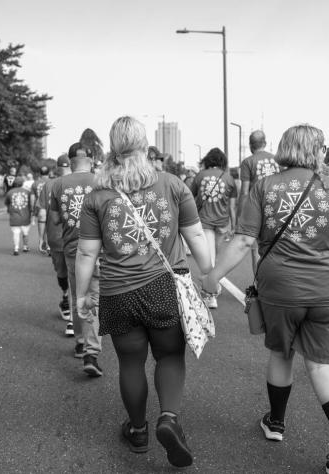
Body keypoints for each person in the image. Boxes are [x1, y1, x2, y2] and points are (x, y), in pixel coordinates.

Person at [202, 124, 329, 474]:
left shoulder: (265, 187)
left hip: (281, 288)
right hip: (328, 289)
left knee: (282, 353)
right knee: (321, 365)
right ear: (318, 150)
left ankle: (276, 423)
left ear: (284, 148)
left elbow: (245, 241)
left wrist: (214, 276)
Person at [75, 116, 211, 467]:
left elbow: (87, 252)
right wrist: (209, 271)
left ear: (112, 146)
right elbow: (196, 236)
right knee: (169, 356)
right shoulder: (171, 184)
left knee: (130, 362)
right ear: (144, 143)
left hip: (118, 292)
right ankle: (169, 418)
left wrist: (80, 295)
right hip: (164, 286)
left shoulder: (98, 195)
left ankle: (137, 431)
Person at [50, 143, 102, 376]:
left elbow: (55, 219)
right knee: (93, 296)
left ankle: (81, 342)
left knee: (77, 294)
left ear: (70, 161)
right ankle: (91, 351)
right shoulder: (101, 181)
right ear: (90, 160)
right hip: (99, 248)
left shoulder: (58, 184)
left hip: (72, 247)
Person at [190, 147, 237, 308]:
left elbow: (191, 199)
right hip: (223, 223)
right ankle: (212, 289)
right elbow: (232, 207)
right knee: (216, 258)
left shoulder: (199, 176)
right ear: (222, 162)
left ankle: (211, 293)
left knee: (208, 258)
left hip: (204, 222)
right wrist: (234, 225)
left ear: (208, 160)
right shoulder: (229, 178)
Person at [37, 156, 73, 336]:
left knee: (62, 272)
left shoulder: (48, 186)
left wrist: (41, 237)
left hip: (55, 238)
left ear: (57, 168)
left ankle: (66, 297)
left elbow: (43, 213)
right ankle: (75, 317)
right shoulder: (81, 183)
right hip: (77, 237)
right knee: (77, 274)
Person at [240, 130, 280, 274]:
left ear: (251, 145)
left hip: (257, 209)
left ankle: (257, 285)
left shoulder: (247, 162)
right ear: (265, 143)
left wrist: (241, 215)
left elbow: (244, 191)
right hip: (277, 207)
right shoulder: (277, 159)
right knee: (276, 247)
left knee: (255, 249)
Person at [4, 176, 32, 256]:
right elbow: (31, 203)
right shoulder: (28, 192)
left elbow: (7, 203)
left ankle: (16, 248)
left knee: (16, 233)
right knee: (25, 233)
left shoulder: (10, 192)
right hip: (25, 216)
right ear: (22, 183)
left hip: (14, 217)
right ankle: (25, 247)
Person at [31, 165, 50, 246]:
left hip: (39, 206)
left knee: (42, 223)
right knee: (49, 226)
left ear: (40, 173)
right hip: (50, 206)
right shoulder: (52, 182)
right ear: (49, 173)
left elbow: (32, 198)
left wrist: (32, 210)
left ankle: (41, 240)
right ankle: (48, 243)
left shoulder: (35, 183)